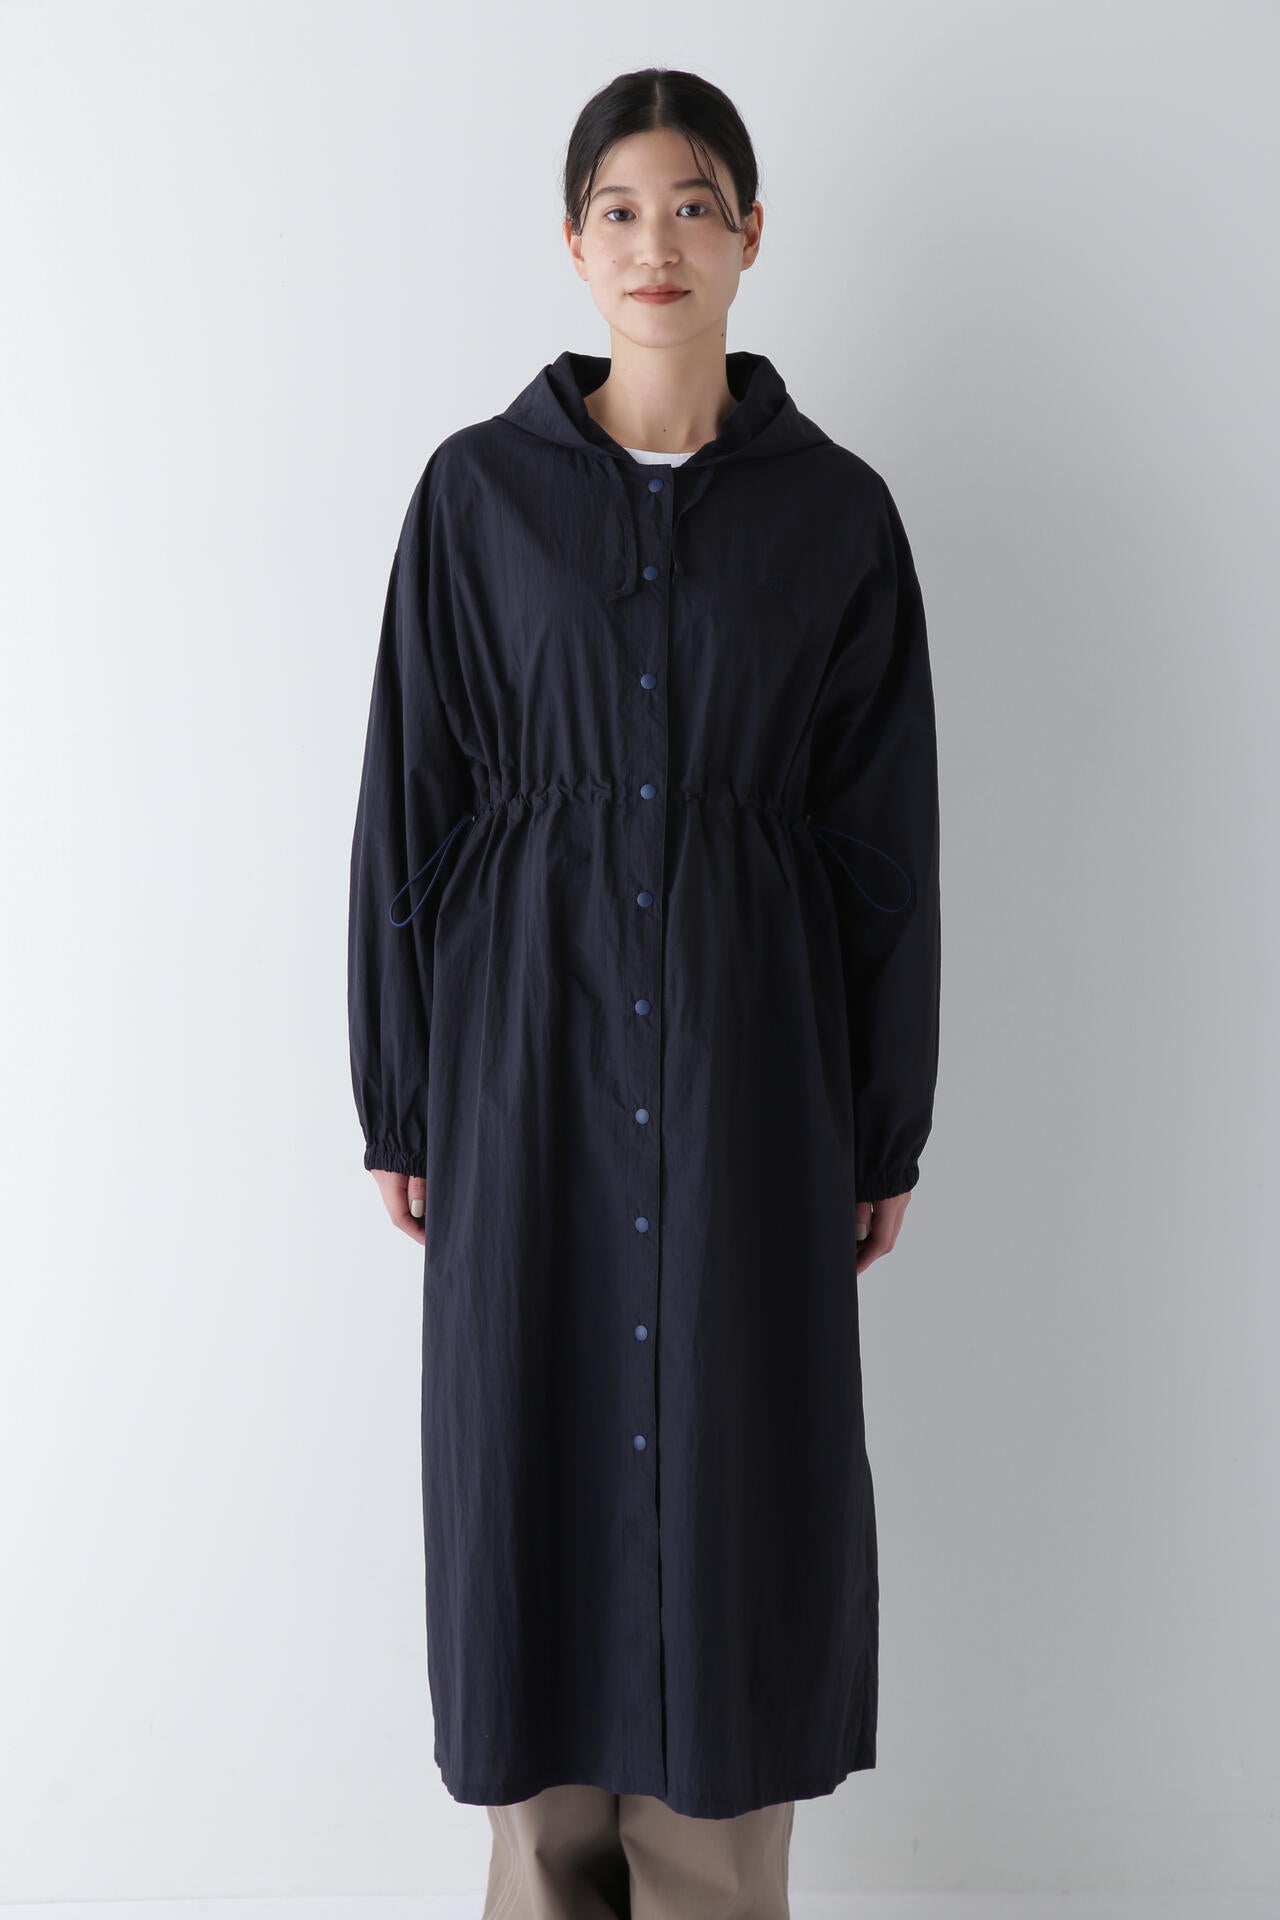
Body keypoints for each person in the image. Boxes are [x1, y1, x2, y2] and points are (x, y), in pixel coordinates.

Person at [348, 65, 942, 1920]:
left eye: (693, 205)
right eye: (618, 207)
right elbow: (409, 808)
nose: (655, 243)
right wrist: (401, 1094)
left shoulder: (836, 516)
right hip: (520, 1077)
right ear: (570, 241)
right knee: (526, 1503)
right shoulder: (476, 498)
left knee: (738, 1508)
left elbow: (886, 847)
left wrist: (881, 1126)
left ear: (752, 235)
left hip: (758, 1084)